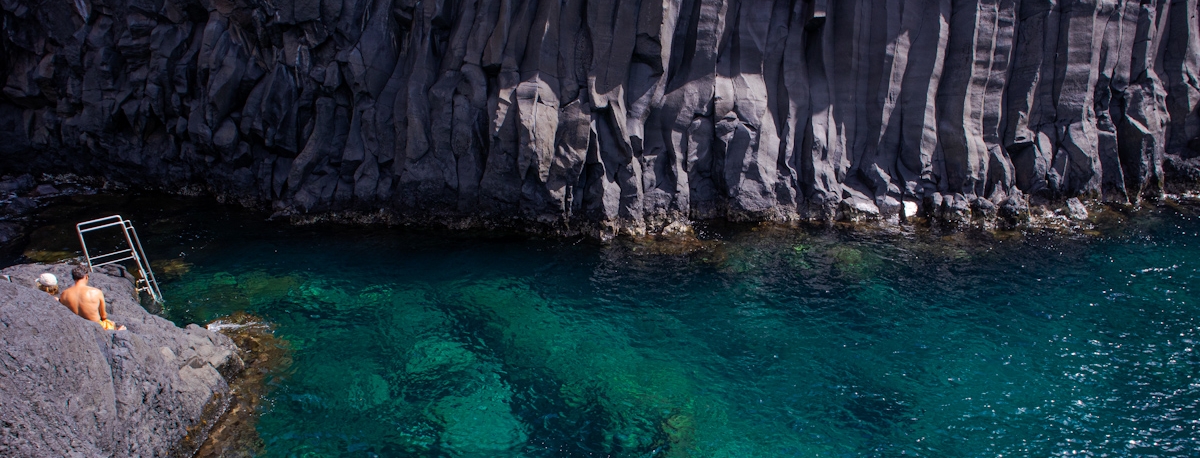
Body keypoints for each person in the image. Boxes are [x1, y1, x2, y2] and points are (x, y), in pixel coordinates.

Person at [59, 265, 126, 331]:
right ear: (86, 277)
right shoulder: (96, 292)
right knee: (110, 323)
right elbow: (104, 316)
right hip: (96, 328)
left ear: (74, 278)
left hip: (77, 326)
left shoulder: (64, 294)